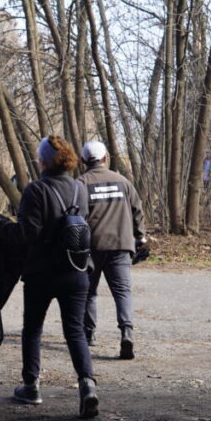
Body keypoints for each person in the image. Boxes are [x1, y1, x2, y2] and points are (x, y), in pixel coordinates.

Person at [8, 135, 98, 419]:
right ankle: (87, 384)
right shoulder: (79, 189)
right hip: (77, 270)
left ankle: (31, 386)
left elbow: (26, 234)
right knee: (75, 331)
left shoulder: (36, 190)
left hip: (41, 273)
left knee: (33, 329)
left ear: (44, 161)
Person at [79, 140, 146, 360]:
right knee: (122, 292)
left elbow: (76, 218)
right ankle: (126, 332)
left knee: (89, 292)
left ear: (83, 161)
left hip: (92, 247)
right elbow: (137, 210)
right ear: (106, 158)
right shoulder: (123, 181)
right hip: (121, 245)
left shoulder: (81, 183)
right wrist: (140, 236)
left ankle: (89, 334)